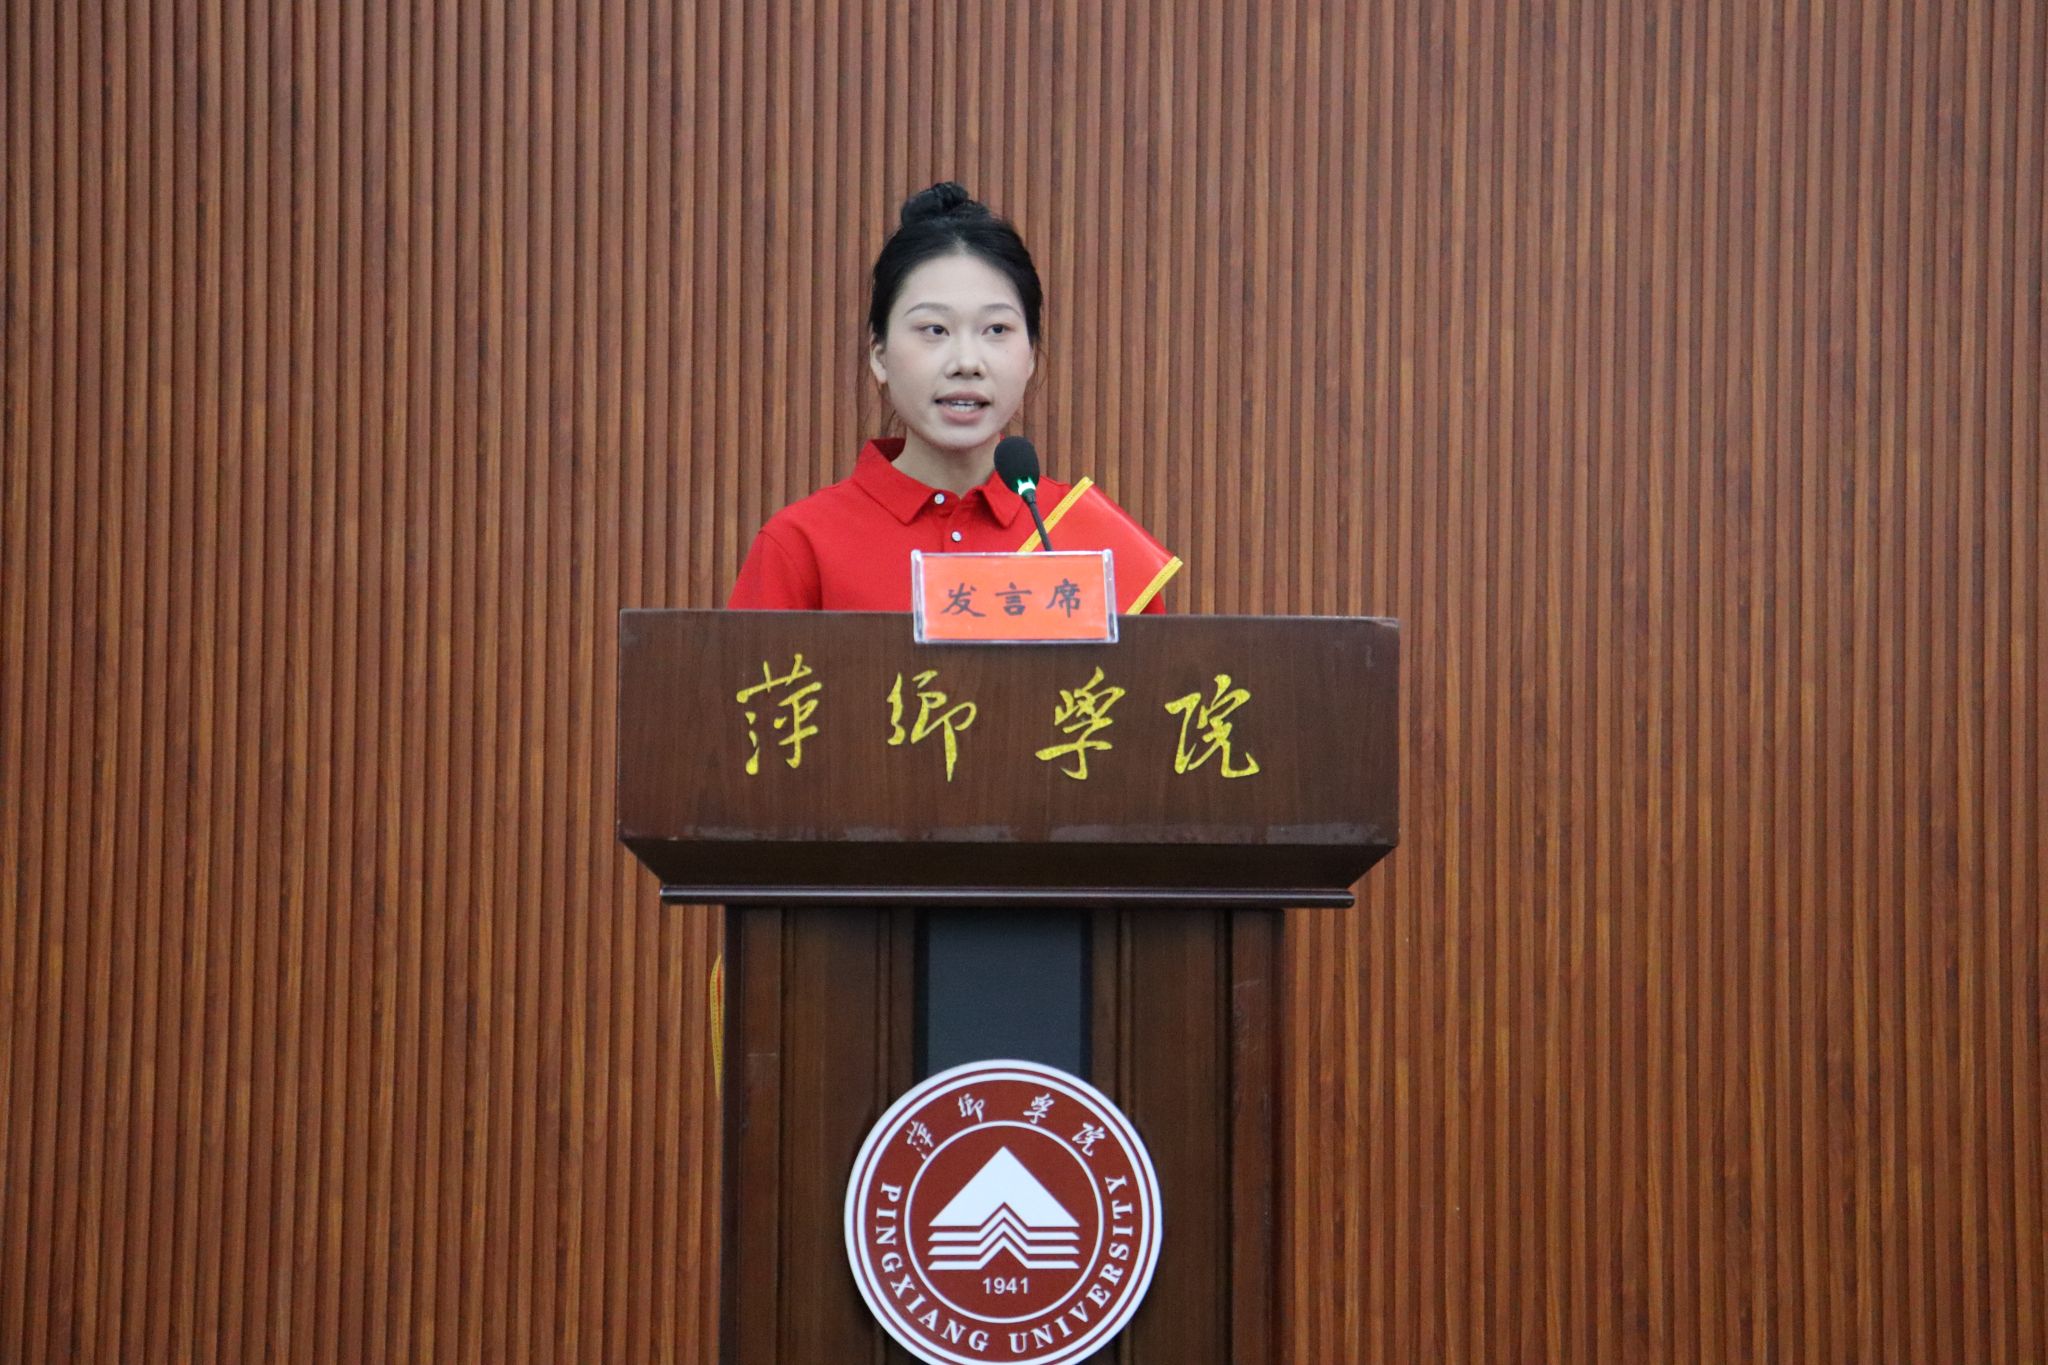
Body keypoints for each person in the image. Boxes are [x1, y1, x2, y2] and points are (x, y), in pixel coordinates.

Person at [728, 182, 1172, 612]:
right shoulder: (801, 545)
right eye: (935, 330)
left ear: (1030, 355)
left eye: (996, 329)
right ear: (879, 355)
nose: (966, 362)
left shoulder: (1098, 548)